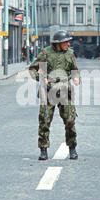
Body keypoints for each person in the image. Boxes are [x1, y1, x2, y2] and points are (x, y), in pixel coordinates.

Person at [29, 30, 81, 161]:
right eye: (66, 42)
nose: (68, 44)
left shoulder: (70, 54)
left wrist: (76, 78)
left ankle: (72, 148)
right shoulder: (46, 53)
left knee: (70, 120)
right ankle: (43, 149)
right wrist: (41, 78)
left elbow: (74, 69)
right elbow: (32, 69)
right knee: (44, 121)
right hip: (49, 91)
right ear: (58, 43)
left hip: (64, 90)